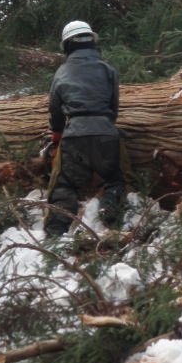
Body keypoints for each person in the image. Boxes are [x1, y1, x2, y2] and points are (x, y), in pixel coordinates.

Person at [44, 20, 125, 236]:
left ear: (67, 46)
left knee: (65, 184)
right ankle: (109, 211)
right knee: (114, 179)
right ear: (92, 42)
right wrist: (105, 127)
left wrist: (57, 134)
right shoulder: (108, 70)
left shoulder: (62, 72)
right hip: (106, 132)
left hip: (74, 134)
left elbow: (55, 108)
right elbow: (114, 106)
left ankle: (55, 230)